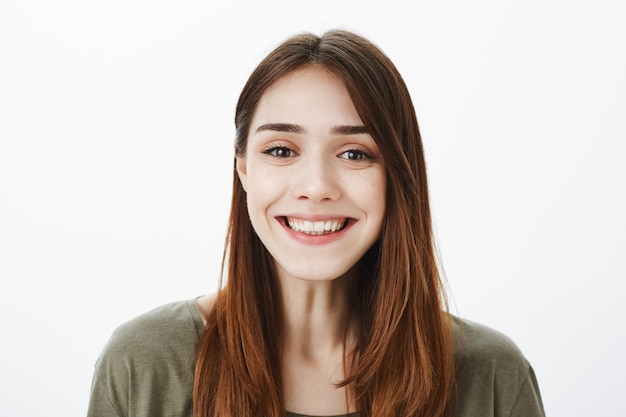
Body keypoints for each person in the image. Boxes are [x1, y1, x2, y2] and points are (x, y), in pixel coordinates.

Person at [87, 29, 545, 417]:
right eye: (281, 150)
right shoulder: (145, 365)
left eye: (354, 153)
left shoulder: (492, 379)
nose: (316, 186)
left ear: (398, 175)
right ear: (244, 169)